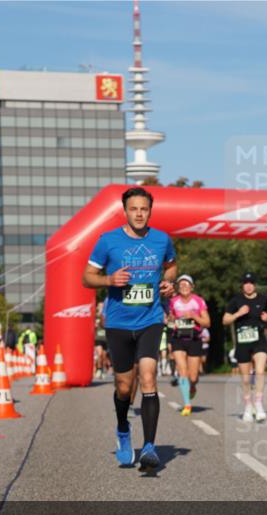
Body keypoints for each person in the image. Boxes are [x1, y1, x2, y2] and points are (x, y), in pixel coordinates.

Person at [82, 187, 176, 470]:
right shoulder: (108, 241)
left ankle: (149, 447)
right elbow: (87, 277)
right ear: (125, 211)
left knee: (148, 378)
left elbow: (171, 266)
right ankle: (123, 428)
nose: (139, 213)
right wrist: (109, 280)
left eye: (144, 209)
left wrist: (169, 283)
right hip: (118, 323)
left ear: (150, 211)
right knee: (125, 388)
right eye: (134, 209)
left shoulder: (162, 240)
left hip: (151, 319)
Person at [223, 272, 267, 423]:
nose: (248, 285)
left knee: (260, 371)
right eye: (245, 283)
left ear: (255, 284)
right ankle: (248, 406)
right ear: (242, 285)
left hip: (259, 341)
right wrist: (238, 313)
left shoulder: (263, 299)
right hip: (243, 342)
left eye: (251, 282)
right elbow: (225, 320)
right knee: (245, 379)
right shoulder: (236, 300)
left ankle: (259, 403)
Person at [167, 275, 210, 416]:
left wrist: (194, 316)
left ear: (192, 287)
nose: (184, 287)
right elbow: (169, 320)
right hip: (178, 338)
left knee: (193, 377)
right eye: (181, 285)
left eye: (187, 285)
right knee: (182, 371)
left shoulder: (198, 301)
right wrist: (171, 319)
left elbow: (207, 323)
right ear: (178, 288)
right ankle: (187, 404)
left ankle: (192, 387)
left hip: (194, 339)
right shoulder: (173, 302)